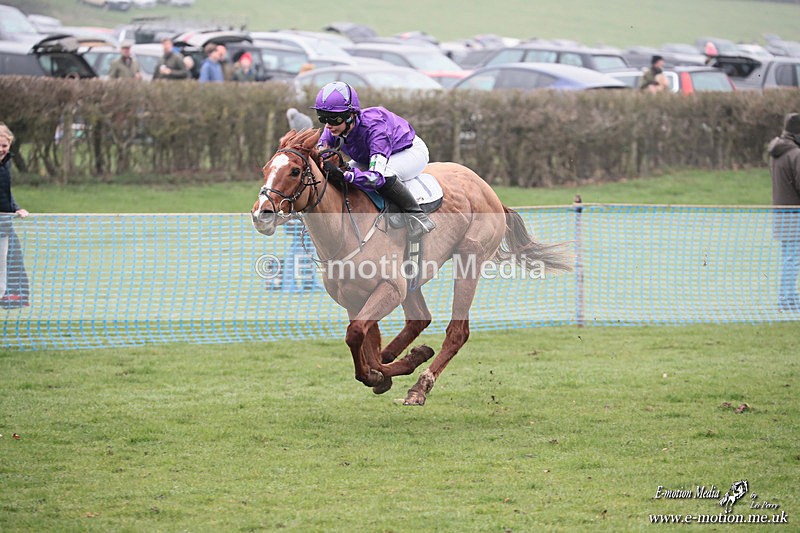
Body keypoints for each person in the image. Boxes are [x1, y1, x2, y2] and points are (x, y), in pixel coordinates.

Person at [312, 81, 436, 238]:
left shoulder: (376, 129)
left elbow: (376, 178)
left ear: (351, 115)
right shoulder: (332, 129)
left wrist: (346, 176)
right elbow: (320, 154)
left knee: (385, 173)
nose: (328, 126)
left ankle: (418, 217)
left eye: (334, 119)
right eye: (323, 119)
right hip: (369, 155)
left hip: (409, 152)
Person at [768, 112, 800, 312]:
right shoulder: (796, 154)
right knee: (793, 258)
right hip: (795, 213)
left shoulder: (776, 151)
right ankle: (786, 299)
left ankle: (787, 296)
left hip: (781, 212)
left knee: (789, 257)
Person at [0, 123, 30, 309]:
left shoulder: (7, 163)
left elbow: (5, 193)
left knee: (2, 267)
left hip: (3, 224)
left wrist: (16, 208)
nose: (1, 149)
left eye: (4, 145)